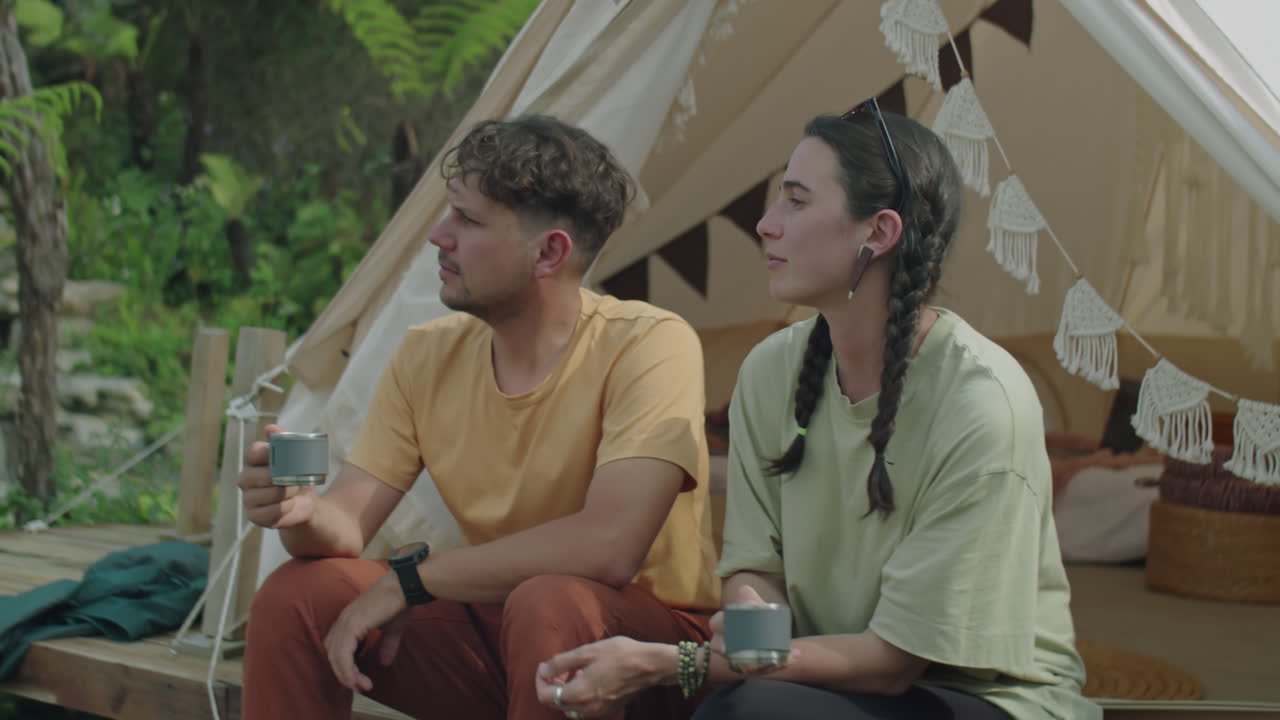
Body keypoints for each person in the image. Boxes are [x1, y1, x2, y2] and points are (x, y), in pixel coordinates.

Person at [533, 101, 1101, 720]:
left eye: (797, 201)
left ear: (878, 233)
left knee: (749, 712)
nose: (767, 225)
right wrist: (752, 643)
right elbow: (755, 564)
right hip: (824, 678)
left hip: (979, 699)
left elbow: (891, 665)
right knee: (742, 703)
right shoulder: (771, 371)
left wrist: (672, 663)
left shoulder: (980, 402)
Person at [237, 115, 720, 720]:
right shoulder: (426, 354)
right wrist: (299, 513)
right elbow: (346, 521)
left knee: (549, 604)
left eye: (467, 220)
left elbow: (609, 547)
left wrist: (414, 580)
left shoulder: (649, 343)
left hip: (642, 652)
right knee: (299, 595)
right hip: (503, 629)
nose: (439, 236)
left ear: (548, 252)